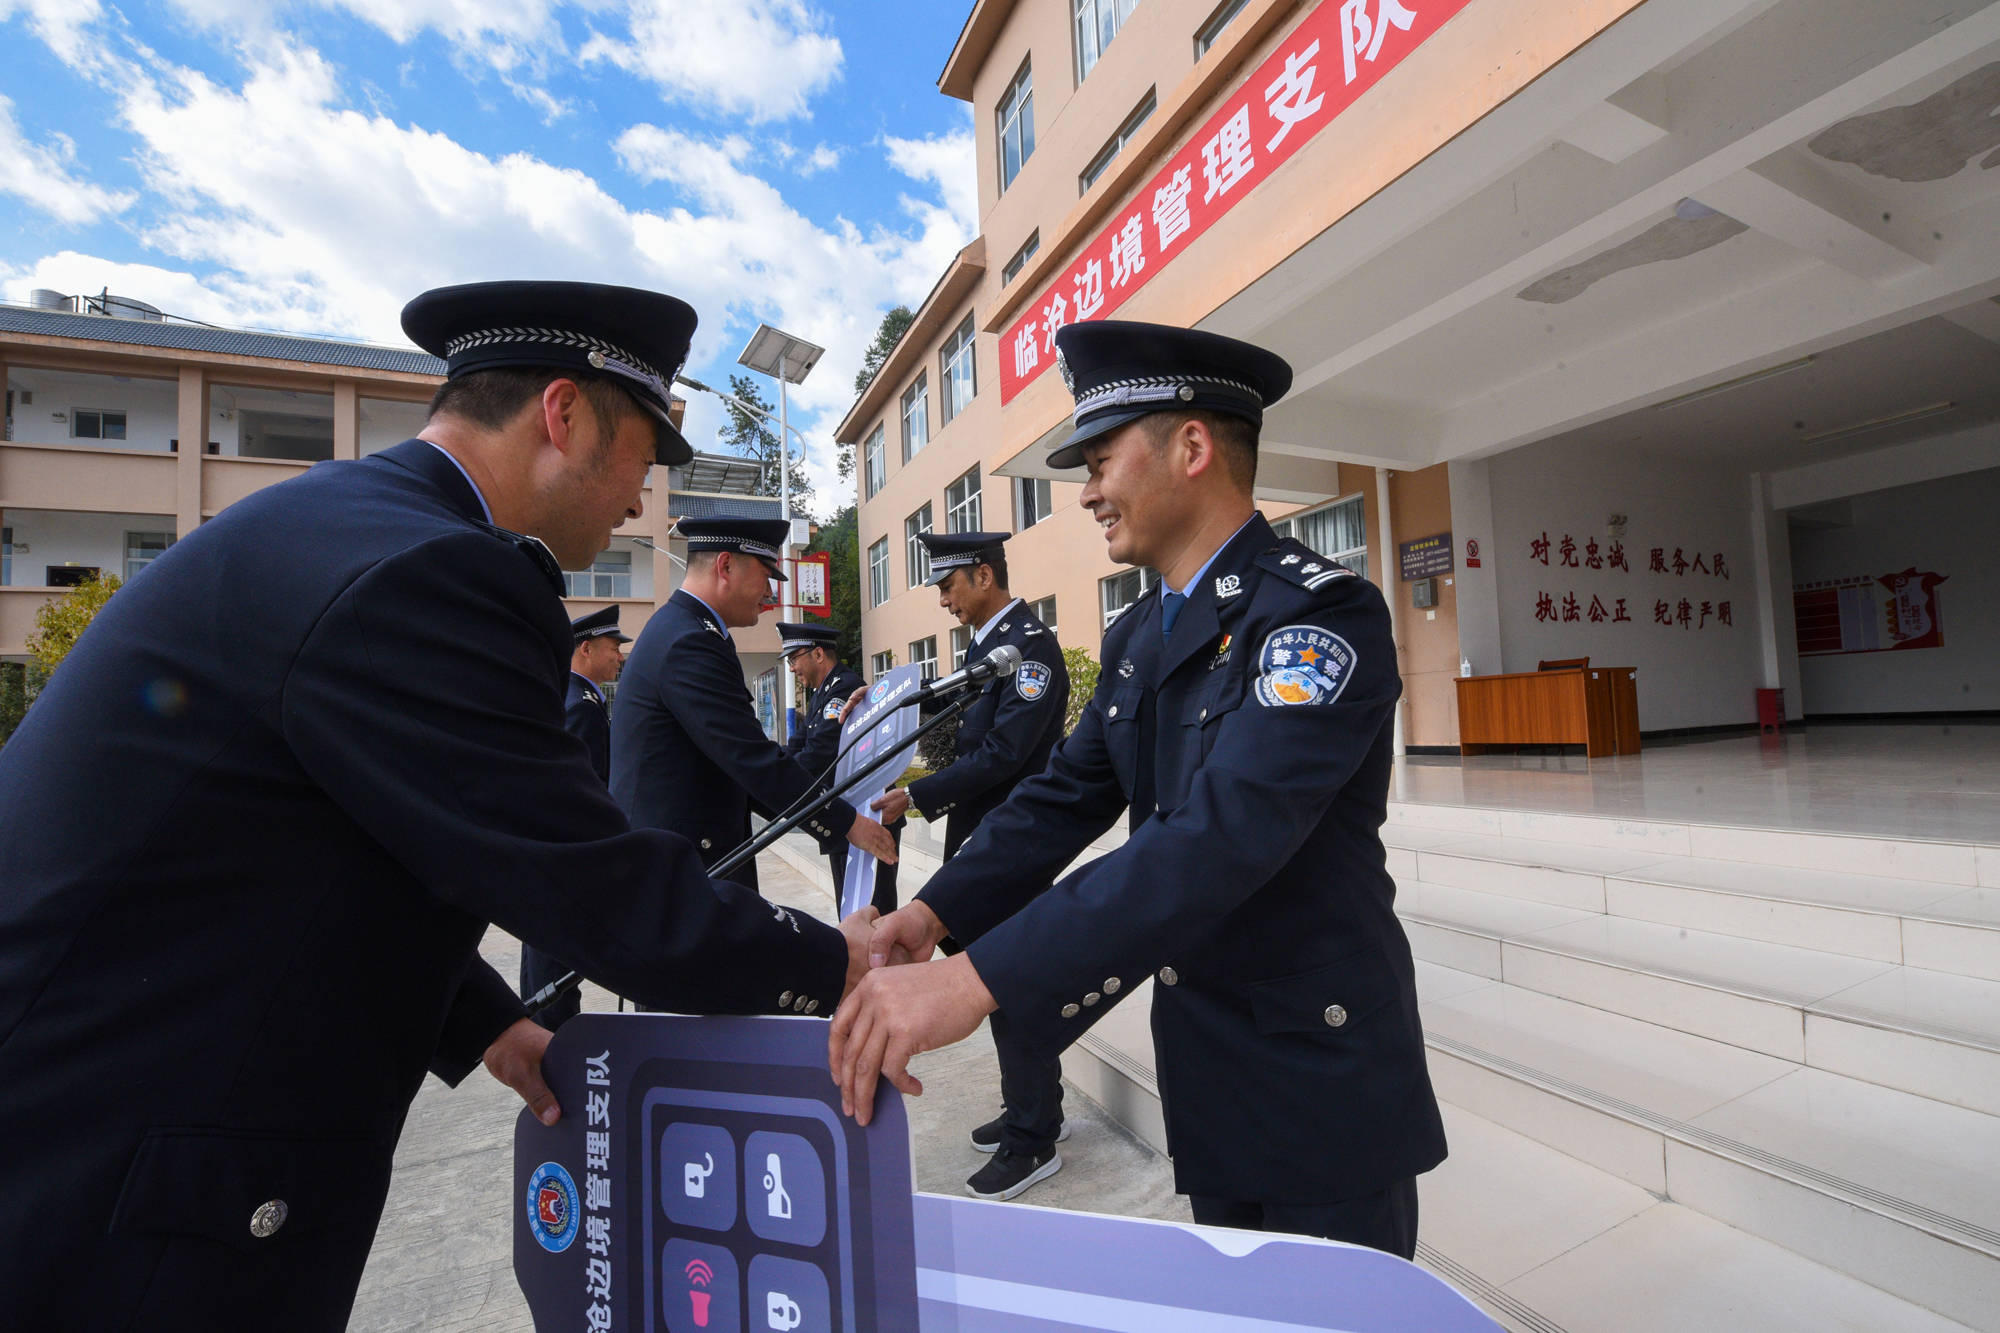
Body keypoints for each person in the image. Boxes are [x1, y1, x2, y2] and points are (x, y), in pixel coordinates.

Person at [0, 280, 879, 1330]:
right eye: (642, 458)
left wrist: (487, 1020)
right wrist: (840, 963)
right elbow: (588, 886)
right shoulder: (432, 570)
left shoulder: (345, 524)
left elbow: (347, 840)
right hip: (118, 1182)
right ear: (564, 413)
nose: (638, 501)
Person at [833, 319, 1447, 1258]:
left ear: (1191, 446)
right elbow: (1061, 797)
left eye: (1101, 458)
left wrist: (978, 976)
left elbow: (1218, 836)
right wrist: (935, 914)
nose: (1085, 493)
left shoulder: (1318, 617)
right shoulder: (1138, 637)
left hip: (1319, 1081)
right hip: (1212, 1066)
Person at [869, 530, 1071, 1201]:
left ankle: (1033, 1137)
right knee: (1004, 985)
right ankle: (1034, 1108)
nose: (944, 601)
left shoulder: (1031, 651)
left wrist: (919, 794)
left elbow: (1006, 754)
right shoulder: (988, 650)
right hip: (984, 844)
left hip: (1013, 846)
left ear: (983, 575)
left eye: (950, 586)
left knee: (1011, 987)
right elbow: (946, 706)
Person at [610, 517, 897, 893]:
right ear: (725, 566)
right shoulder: (689, 642)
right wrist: (845, 823)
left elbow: (742, 767)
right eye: (765, 576)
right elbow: (749, 758)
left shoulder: (689, 631)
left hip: (690, 858)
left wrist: (825, 819)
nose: (770, 595)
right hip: (679, 868)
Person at [518, 604, 630, 1030]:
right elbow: (583, 791)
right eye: (613, 647)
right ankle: (556, 1058)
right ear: (585, 649)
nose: (619, 656)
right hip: (567, 860)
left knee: (545, 969)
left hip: (547, 858)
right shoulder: (580, 705)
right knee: (557, 973)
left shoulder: (565, 696)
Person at [777, 621, 884, 905]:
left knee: (871, 913)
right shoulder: (823, 694)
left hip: (863, 815)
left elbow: (819, 753)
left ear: (818, 654)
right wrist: (768, 769)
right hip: (845, 815)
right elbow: (798, 745)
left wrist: (777, 783)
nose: (791, 668)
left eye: (793, 659)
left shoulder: (844, 689)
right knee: (850, 911)